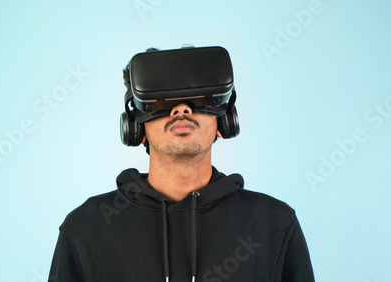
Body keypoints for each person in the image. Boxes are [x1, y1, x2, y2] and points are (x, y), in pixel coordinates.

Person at [48, 46, 315, 281]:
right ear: (135, 128)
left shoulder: (273, 224)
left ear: (225, 122)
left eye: (198, 100)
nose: (181, 109)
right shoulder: (87, 227)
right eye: (162, 101)